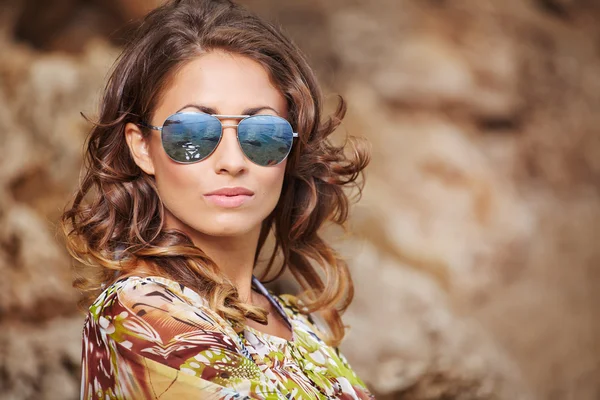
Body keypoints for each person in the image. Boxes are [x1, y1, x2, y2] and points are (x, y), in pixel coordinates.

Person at [60, 0, 372, 398]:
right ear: (141, 148)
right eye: (193, 133)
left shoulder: (297, 321)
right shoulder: (141, 313)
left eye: (262, 134)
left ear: (291, 148)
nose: (232, 161)